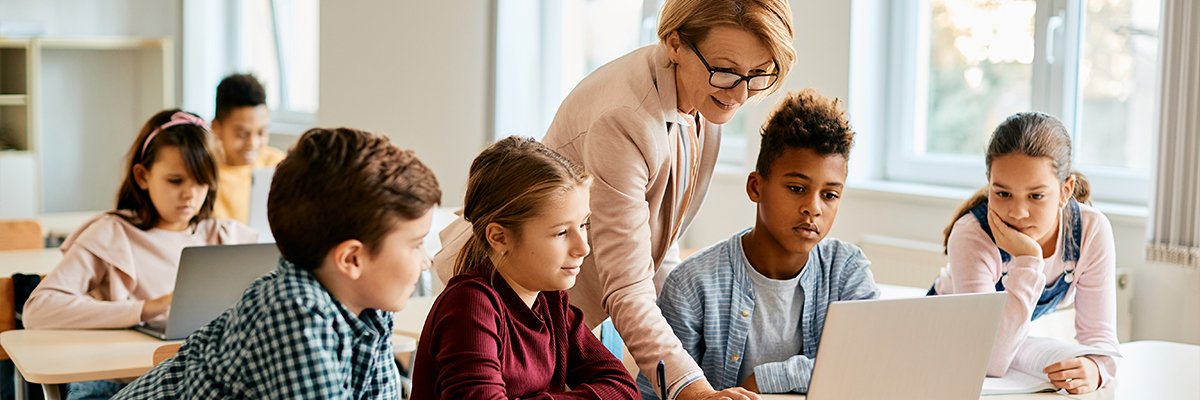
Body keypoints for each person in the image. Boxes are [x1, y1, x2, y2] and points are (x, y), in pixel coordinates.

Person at [434, 1, 796, 398]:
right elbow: (626, 285)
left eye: (759, 74)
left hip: (557, 307)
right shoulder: (626, 116)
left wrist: (688, 374)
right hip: (515, 294)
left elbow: (659, 241)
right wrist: (692, 390)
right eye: (726, 71)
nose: (742, 92)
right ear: (675, 43)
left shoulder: (705, 98)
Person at [114, 127, 441, 399]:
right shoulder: (294, 311)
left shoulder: (371, 306)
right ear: (351, 259)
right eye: (415, 246)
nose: (426, 261)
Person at [641, 90, 879, 396]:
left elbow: (868, 360)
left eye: (830, 195)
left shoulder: (847, 271)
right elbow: (654, 394)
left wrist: (766, 379)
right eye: (796, 188)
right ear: (756, 187)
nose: (814, 208)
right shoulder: (692, 286)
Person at [23, 110, 257, 399]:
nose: (190, 194)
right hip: (118, 382)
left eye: (201, 182)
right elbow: (38, 310)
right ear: (143, 176)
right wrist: (147, 308)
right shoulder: (111, 233)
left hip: (194, 380)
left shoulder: (226, 236)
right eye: (175, 181)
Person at [411, 136, 638, 399]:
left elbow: (622, 387)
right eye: (561, 232)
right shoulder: (470, 305)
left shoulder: (553, 304)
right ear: (499, 237)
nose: (583, 248)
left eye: (584, 225)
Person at [930, 112, 1118, 394]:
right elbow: (988, 359)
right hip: (943, 344)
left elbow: (1100, 338)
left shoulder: (1090, 231)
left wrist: (1097, 369)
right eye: (1003, 193)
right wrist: (1030, 258)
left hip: (1002, 348)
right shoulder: (972, 234)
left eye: (1036, 196)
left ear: (1065, 190)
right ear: (989, 182)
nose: (1017, 213)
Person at [210, 73, 286, 224]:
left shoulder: (276, 163)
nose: (253, 143)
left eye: (261, 132)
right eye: (242, 134)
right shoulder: (204, 174)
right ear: (216, 128)